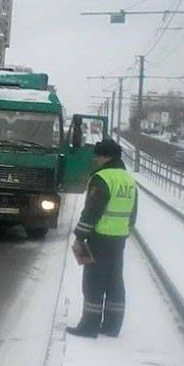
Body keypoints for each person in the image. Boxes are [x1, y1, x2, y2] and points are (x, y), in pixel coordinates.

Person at [67, 138, 138, 339]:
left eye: (97, 156)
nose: (95, 160)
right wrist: (124, 231)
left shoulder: (102, 178)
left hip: (99, 238)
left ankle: (89, 326)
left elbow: (92, 210)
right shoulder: (128, 179)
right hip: (118, 240)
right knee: (114, 281)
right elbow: (133, 213)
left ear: (106, 156)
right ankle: (111, 326)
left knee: (93, 282)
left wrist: (81, 234)